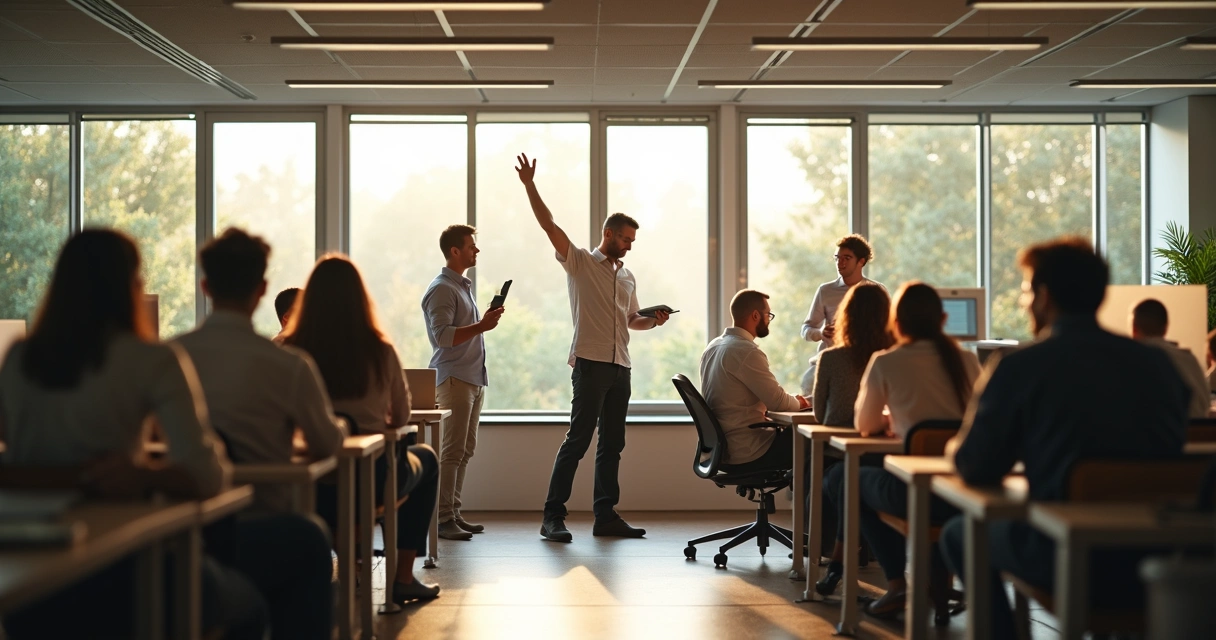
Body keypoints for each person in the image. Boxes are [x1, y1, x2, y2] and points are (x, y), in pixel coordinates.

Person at [0, 229, 265, 640]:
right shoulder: (152, 359)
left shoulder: (18, 359)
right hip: (128, 575)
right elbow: (207, 476)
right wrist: (146, 474)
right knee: (251, 599)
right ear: (130, 284)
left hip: (29, 575)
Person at [940, 238, 1189, 640]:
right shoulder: (1158, 365)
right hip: (1161, 560)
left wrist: (955, 445)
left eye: (1025, 292)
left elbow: (976, 465)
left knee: (959, 534)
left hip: (1064, 556)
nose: (1024, 304)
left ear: (1044, 296)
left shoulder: (1020, 366)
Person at [176, 228, 344, 640]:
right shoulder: (289, 365)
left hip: (182, 532)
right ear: (262, 289)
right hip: (259, 525)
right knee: (310, 538)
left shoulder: (172, 356)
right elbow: (330, 445)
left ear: (205, 286)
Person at [516, 153, 669, 543]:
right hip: (590, 363)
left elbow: (631, 319)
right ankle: (552, 517)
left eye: (633, 241)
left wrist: (653, 320)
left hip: (621, 367)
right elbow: (549, 226)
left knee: (612, 444)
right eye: (625, 239)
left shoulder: (628, 275)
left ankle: (606, 516)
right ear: (608, 234)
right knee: (578, 441)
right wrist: (530, 185)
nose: (630, 247)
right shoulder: (581, 262)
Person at [284, 255, 442, 604]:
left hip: (307, 483)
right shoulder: (379, 350)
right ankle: (402, 578)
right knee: (426, 459)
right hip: (370, 481)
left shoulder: (290, 349)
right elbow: (401, 417)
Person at [818, 283, 981, 619]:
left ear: (897, 323)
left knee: (850, 482)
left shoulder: (887, 362)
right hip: (963, 493)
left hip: (914, 492)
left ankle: (897, 584)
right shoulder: (967, 360)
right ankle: (935, 582)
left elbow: (865, 425)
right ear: (943, 318)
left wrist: (893, 419)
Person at [421, 224, 505, 541]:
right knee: (453, 451)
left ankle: (452, 512)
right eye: (471, 246)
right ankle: (443, 519)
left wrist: (481, 323)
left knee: (465, 449)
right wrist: (481, 325)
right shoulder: (442, 288)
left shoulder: (460, 286)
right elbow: (443, 337)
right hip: (455, 379)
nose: (476, 250)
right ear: (455, 251)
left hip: (471, 378)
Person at [699, 289, 807, 471]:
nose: (769, 320)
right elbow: (779, 403)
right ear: (756, 315)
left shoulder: (713, 346)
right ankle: (813, 499)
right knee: (815, 441)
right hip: (749, 449)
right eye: (768, 315)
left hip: (723, 449)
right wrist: (800, 403)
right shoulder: (745, 351)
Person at [800, 234, 886, 395]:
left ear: (861, 261)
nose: (840, 262)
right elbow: (805, 329)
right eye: (837, 258)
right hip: (830, 364)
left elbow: (887, 329)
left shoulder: (876, 291)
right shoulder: (825, 291)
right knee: (808, 383)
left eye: (847, 257)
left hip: (866, 364)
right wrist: (820, 333)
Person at [811, 283, 894, 427]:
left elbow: (819, 414)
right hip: (883, 444)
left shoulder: (830, 358)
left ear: (847, 317)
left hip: (836, 444)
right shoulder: (893, 359)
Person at [1130, 298, 1209, 418]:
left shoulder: (1131, 360)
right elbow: (1203, 404)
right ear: (1166, 328)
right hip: (1194, 433)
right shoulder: (1189, 360)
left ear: (1134, 329)